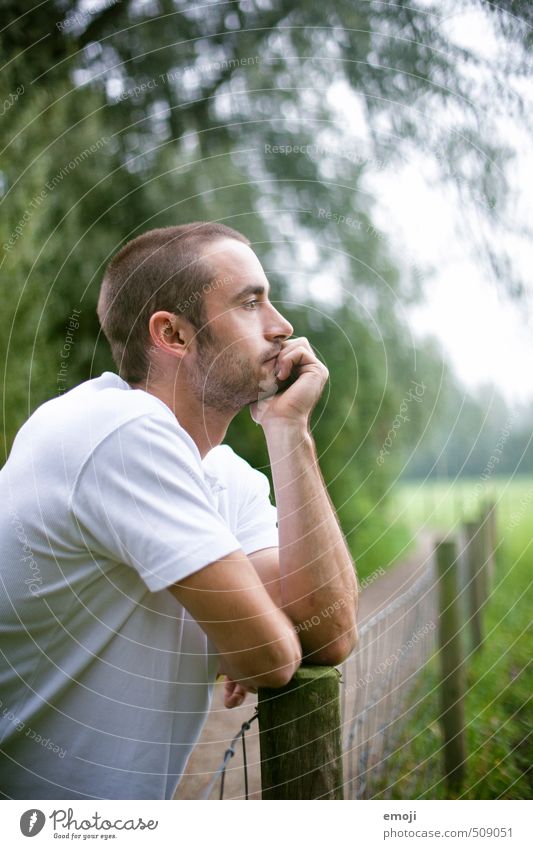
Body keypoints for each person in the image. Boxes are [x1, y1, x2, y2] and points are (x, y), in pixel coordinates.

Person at [0, 222, 358, 800]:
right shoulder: (115, 432)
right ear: (174, 334)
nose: (282, 326)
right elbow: (272, 657)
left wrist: (290, 430)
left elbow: (328, 631)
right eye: (249, 302)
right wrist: (243, 636)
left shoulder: (222, 476)